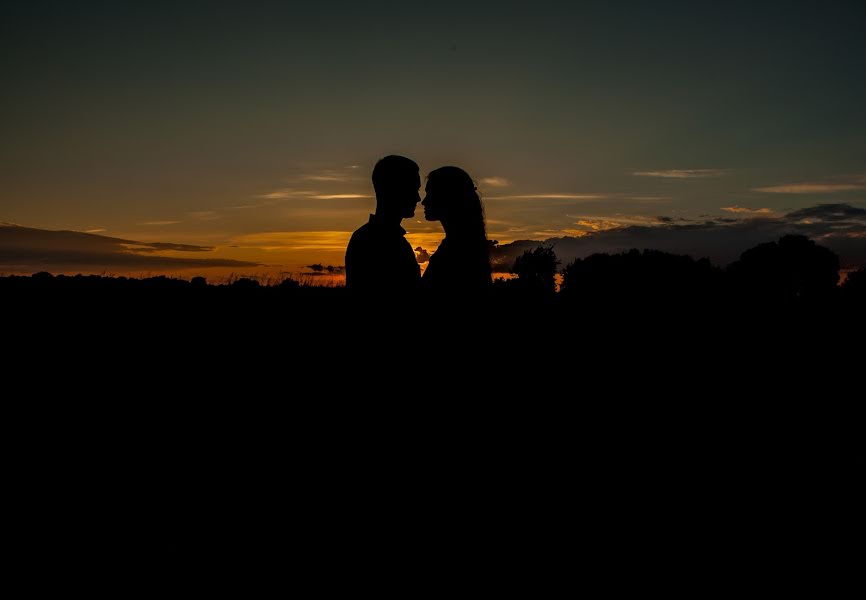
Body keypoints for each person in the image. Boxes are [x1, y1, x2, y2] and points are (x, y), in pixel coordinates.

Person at [345, 155, 421, 297]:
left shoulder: (389, 240)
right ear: (393, 189)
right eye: (412, 189)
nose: (418, 198)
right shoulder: (369, 240)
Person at [421, 166, 492, 296]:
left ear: (447, 197)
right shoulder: (467, 243)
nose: (423, 202)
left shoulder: (458, 248)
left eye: (430, 193)